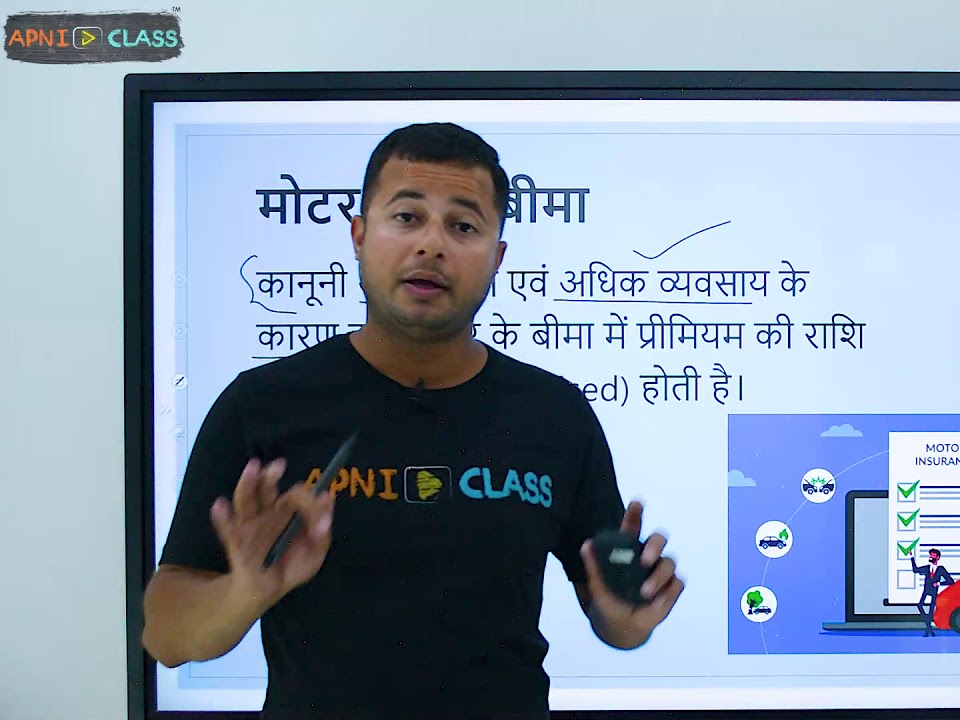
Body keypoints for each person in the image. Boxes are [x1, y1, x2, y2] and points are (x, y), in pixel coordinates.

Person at [140, 122, 686, 719]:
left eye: (463, 226)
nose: (432, 245)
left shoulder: (555, 413)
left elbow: (615, 622)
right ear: (358, 235)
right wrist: (244, 591)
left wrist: (630, 615)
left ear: (498, 257)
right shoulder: (263, 404)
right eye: (406, 217)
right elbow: (166, 638)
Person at [911, 547, 953, 636]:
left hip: (934, 591)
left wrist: (939, 583)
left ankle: (928, 631)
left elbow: (950, 581)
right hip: (926, 590)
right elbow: (915, 570)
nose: (930, 557)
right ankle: (929, 627)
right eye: (930, 555)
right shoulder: (927, 568)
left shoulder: (941, 569)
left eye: (933, 555)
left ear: (937, 557)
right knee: (920, 605)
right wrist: (911, 557)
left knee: (931, 610)